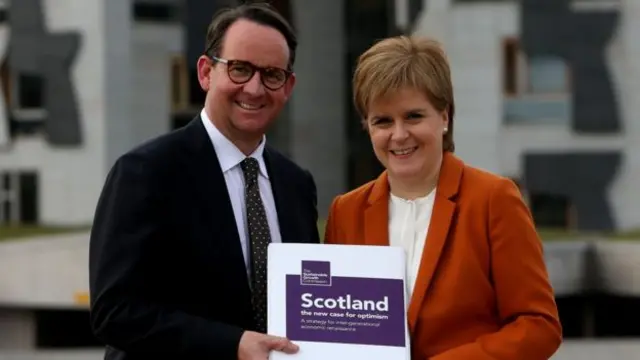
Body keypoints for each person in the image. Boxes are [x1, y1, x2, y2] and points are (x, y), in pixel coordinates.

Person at [89, 3, 320, 359]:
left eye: (272, 74)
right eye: (240, 69)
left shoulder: (296, 185)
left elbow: (310, 302)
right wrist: (233, 344)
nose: (255, 89)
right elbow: (115, 311)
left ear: (288, 86)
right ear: (205, 72)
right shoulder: (145, 173)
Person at [324, 35, 562, 359]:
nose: (399, 134)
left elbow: (539, 326)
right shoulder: (345, 212)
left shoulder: (494, 200)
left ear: (445, 117)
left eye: (413, 116)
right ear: (367, 126)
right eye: (383, 121)